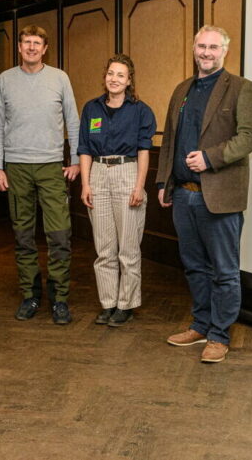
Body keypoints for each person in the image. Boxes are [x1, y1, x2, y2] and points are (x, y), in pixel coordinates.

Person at [156, 25, 252, 364]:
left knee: (224, 270)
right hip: (183, 196)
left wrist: (210, 157)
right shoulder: (182, 89)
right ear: (193, 49)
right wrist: (162, 183)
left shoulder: (242, 89)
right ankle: (200, 324)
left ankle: (219, 334)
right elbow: (170, 139)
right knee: (194, 267)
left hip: (218, 196)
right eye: (201, 46)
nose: (206, 52)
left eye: (213, 47)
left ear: (224, 51)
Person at [0, 25, 80, 325]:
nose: (31, 47)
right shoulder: (5, 80)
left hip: (52, 166)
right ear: (19, 47)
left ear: (45, 49)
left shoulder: (60, 78)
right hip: (16, 167)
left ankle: (59, 299)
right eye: (26, 42)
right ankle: (30, 295)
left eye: (37, 43)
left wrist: (78, 160)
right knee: (23, 236)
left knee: (60, 235)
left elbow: (73, 119)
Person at [77, 54, 156, 327]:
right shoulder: (91, 108)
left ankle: (126, 305)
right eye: (111, 73)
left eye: (121, 75)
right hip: (97, 174)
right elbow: (84, 148)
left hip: (127, 173)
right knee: (104, 249)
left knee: (128, 248)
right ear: (105, 76)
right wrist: (85, 183)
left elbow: (144, 151)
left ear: (129, 80)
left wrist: (139, 186)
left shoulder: (141, 111)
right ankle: (108, 303)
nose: (114, 79)